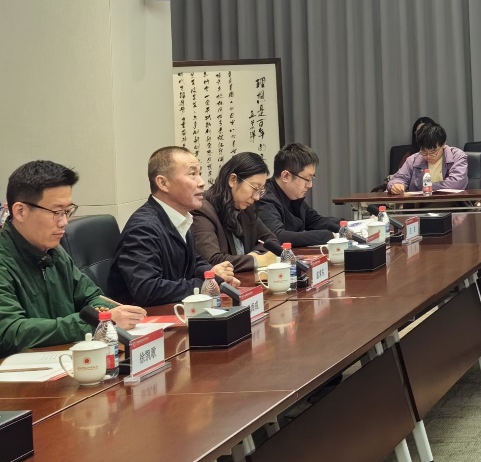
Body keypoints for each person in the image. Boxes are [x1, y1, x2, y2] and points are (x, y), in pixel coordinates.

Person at [0, 161, 145, 355]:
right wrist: (99, 322)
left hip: (66, 359)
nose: (64, 222)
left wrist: (109, 313)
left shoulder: (54, 251)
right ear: (20, 211)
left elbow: (91, 297)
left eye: (67, 211)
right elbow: (11, 332)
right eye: (56, 212)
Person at [110, 147, 239, 306]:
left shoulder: (180, 217)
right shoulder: (143, 229)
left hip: (176, 310)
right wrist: (204, 285)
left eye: (199, 173)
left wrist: (211, 275)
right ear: (163, 183)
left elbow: (192, 261)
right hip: (147, 317)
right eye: (192, 174)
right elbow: (147, 290)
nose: (201, 182)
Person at [192, 152, 281, 272]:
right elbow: (211, 260)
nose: (256, 197)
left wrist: (253, 255)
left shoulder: (246, 207)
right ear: (233, 180)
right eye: (255, 188)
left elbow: (271, 241)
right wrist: (256, 261)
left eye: (261, 190)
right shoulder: (203, 209)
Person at [258, 143, 344, 246]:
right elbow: (278, 236)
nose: (310, 185)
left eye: (312, 178)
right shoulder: (264, 198)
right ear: (285, 176)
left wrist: (349, 225)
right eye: (307, 179)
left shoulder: (292, 195)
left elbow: (316, 221)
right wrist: (329, 236)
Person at [387, 122, 469, 194]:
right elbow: (397, 179)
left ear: (443, 144)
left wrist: (428, 187)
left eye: (433, 152)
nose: (428, 156)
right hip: (420, 204)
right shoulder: (413, 160)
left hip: (452, 203)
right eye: (424, 152)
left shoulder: (457, 156)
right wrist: (396, 185)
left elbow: (456, 183)